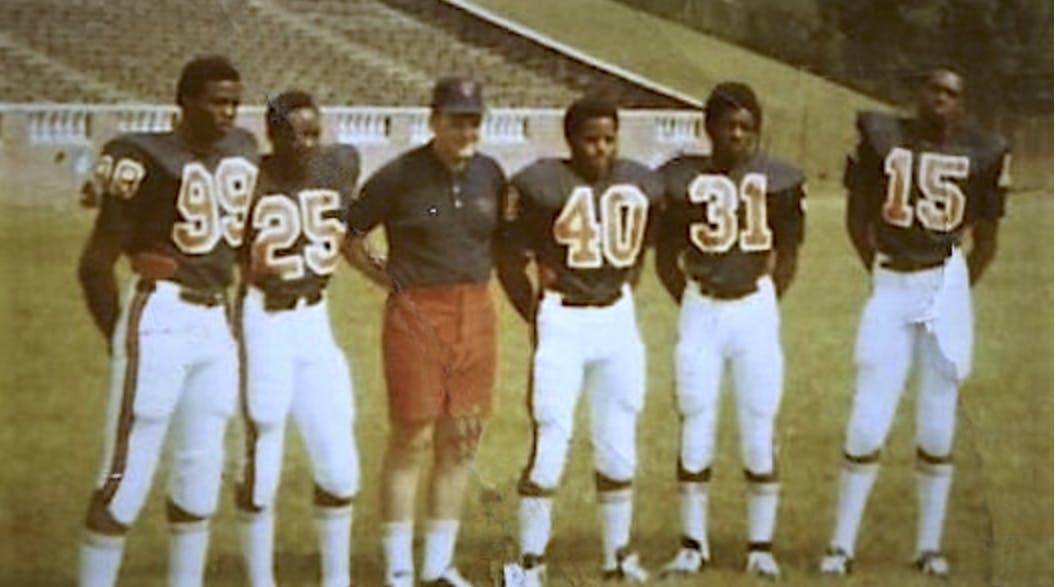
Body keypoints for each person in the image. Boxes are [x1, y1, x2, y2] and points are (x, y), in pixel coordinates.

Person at [75, 55, 258, 587]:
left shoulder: (242, 149)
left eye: (233, 102)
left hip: (214, 319)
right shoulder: (141, 154)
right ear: (183, 102)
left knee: (201, 472)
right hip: (160, 311)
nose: (226, 113)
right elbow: (93, 265)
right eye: (215, 101)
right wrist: (123, 341)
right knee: (126, 474)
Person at [819, 68, 1009, 577]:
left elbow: (987, 240)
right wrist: (882, 271)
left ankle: (928, 547)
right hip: (891, 284)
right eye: (934, 90)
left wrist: (950, 291)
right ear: (918, 94)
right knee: (868, 418)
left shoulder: (983, 151)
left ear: (962, 104)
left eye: (952, 93)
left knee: (937, 422)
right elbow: (857, 218)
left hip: (944, 286)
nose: (941, 100)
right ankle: (841, 545)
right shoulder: (883, 137)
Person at [344, 77, 506, 587]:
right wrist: (386, 278)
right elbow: (350, 236)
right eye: (455, 119)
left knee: (460, 438)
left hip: (474, 308)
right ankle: (397, 565)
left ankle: (438, 565)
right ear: (433, 119)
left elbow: (499, 237)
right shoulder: (399, 175)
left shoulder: (490, 173)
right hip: (417, 310)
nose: (465, 130)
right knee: (411, 436)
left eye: (473, 120)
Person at [497, 96, 664, 586]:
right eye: (591, 139)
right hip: (563, 317)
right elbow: (507, 261)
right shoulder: (539, 184)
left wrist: (621, 289)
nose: (601, 149)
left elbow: (639, 253)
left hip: (616, 318)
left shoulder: (640, 182)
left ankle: (618, 557)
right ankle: (530, 562)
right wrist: (534, 309)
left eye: (609, 139)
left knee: (619, 443)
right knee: (551, 439)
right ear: (571, 141)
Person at [655, 82, 806, 580]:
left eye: (746, 126)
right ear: (710, 127)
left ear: (756, 130)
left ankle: (760, 546)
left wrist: (760, 298)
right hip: (703, 307)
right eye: (728, 125)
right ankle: (691, 544)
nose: (737, 134)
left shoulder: (780, 180)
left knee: (758, 428)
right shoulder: (681, 179)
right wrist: (698, 299)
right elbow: (664, 261)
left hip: (755, 309)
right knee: (696, 424)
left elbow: (788, 256)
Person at [235, 90, 362, 587]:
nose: (308, 144)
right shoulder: (249, 176)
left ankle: (337, 579)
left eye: (314, 133)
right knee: (262, 456)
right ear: (272, 135)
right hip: (263, 320)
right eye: (296, 134)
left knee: (340, 466)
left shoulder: (338, 166)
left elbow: (349, 237)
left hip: (315, 321)